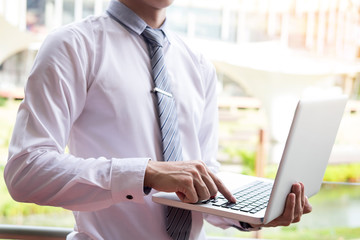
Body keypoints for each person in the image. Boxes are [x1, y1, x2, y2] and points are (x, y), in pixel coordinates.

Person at [4, 0, 312, 239]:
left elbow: (203, 173)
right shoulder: (72, 46)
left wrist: (253, 213)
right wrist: (145, 173)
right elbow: (26, 171)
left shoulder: (198, 63)